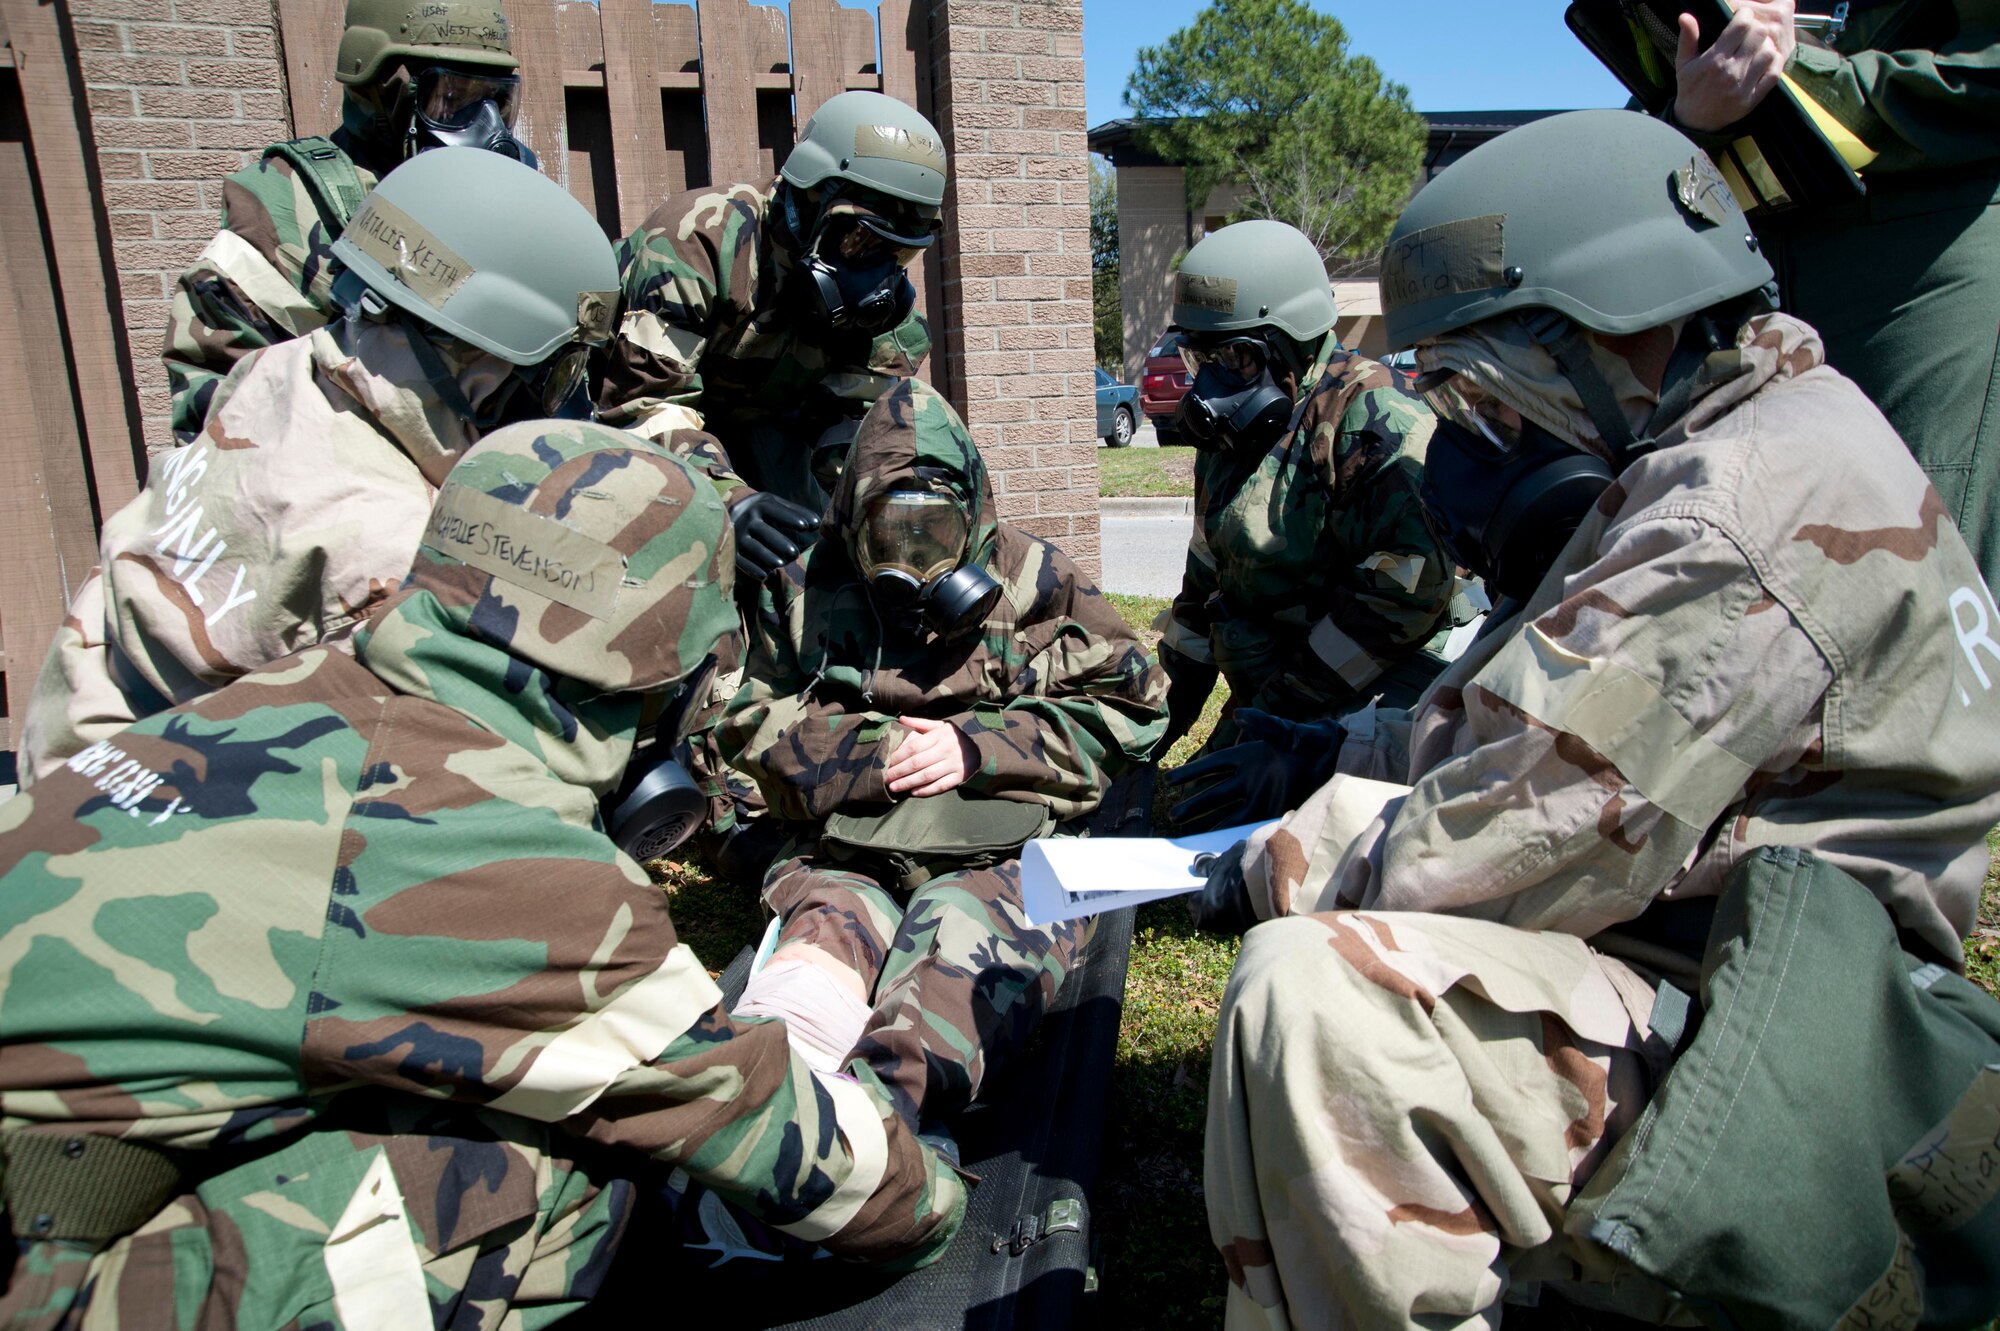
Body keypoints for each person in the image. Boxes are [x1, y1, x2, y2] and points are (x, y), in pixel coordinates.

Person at [1194, 110, 2000, 1327]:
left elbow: (1485, 858)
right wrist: (1336, 747)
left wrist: (1259, 861)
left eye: (1478, 391)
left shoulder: (1725, 516)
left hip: (1799, 1036)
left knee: (1315, 997)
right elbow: (1535, 725)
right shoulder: (1754, 430)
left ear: (1609, 335)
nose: (1472, 440)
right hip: (1730, 947)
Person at [0, 421, 966, 1326]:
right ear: (670, 679)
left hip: (72, 1176)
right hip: (43, 1271)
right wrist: (931, 1198)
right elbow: (761, 1123)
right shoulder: (499, 860)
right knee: (552, 1174)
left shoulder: (248, 704)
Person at [18, 148, 634, 785]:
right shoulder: (392, 555)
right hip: (143, 817)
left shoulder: (283, 369)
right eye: (557, 370)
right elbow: (462, 775)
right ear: (483, 360)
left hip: (74, 727)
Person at [715, 379, 1168, 1132]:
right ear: (851, 518)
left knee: (949, 988)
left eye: (935, 534)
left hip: (1004, 862)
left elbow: (1134, 703)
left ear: (974, 517)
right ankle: (769, 1131)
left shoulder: (1032, 578)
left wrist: (979, 746)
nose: (914, 563)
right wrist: (873, 752)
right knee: (800, 994)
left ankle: (873, 1142)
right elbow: (743, 727)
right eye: (889, 536)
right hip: (850, 851)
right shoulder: (799, 587)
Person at [1654, 0, 2000, 587]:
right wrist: (1693, 112)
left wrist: (1784, 73)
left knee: (1913, 565)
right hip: (1752, 279)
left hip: (1919, 275)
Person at [1152, 220, 1453, 829]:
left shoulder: (1377, 420)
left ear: (1294, 347)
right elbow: (1202, 588)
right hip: (1281, 679)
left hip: (1384, 676)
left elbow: (1407, 598)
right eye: (1197, 356)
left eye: (1235, 358)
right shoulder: (1230, 437)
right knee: (1199, 810)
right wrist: (1145, 733)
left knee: (1307, 829)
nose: (1209, 385)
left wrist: (1278, 710)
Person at [597, 89, 948, 584]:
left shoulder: (885, 320)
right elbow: (644, 405)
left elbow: (854, 438)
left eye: (898, 253)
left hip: (762, 424)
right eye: (861, 239)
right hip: (622, 423)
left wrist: (904, 518)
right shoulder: (697, 241)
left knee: (808, 553)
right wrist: (725, 501)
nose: (877, 278)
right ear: (805, 199)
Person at [162, 0, 534, 442]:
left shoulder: (504, 199)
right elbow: (222, 414)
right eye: (453, 99)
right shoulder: (290, 206)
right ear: (381, 86)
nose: (486, 127)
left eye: (497, 100)